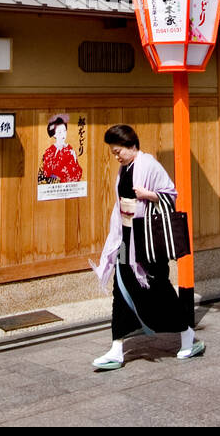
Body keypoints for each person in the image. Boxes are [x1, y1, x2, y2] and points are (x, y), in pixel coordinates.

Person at [89, 124, 203, 369]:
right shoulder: (124, 169)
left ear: (132, 146)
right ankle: (116, 349)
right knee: (120, 289)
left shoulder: (149, 164)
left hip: (146, 241)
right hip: (124, 239)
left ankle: (188, 336)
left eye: (119, 151)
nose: (116, 156)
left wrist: (148, 195)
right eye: (113, 153)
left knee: (159, 288)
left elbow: (171, 194)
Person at [38, 114, 82, 183]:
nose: (63, 134)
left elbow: (76, 173)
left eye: (64, 131)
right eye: (59, 132)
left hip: (66, 187)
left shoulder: (70, 151)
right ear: (54, 134)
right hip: (50, 187)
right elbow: (45, 172)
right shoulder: (49, 151)